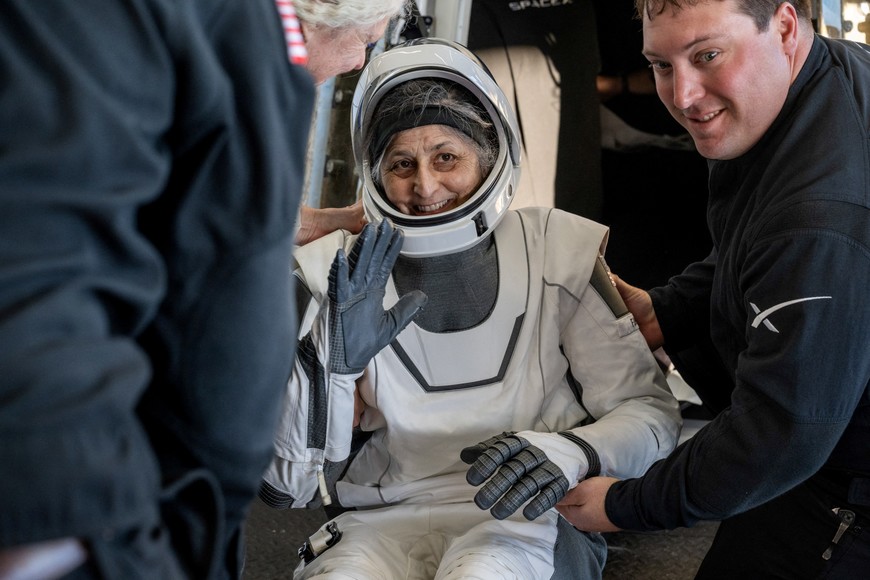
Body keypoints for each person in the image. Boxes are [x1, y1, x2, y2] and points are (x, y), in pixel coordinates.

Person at [0, 1, 405, 579]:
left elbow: (207, 213)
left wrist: (335, 219)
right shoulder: (138, 23)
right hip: (92, 526)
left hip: (178, 509)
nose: (361, 56)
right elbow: (39, 259)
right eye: (368, 38)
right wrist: (86, 535)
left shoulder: (247, 53)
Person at [259, 38, 681, 579]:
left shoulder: (556, 251)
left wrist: (572, 452)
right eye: (402, 163)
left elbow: (650, 414)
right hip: (375, 523)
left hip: (525, 521)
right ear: (376, 175)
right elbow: (287, 488)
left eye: (446, 158)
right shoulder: (334, 274)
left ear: (489, 157)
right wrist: (332, 366)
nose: (425, 185)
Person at [556, 0, 870, 577]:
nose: (682, 97)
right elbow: (752, 245)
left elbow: (780, 432)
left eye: (707, 56)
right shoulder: (812, 81)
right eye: (661, 64)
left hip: (842, 489)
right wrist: (667, 309)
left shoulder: (818, 222)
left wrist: (626, 503)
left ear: (783, 26)